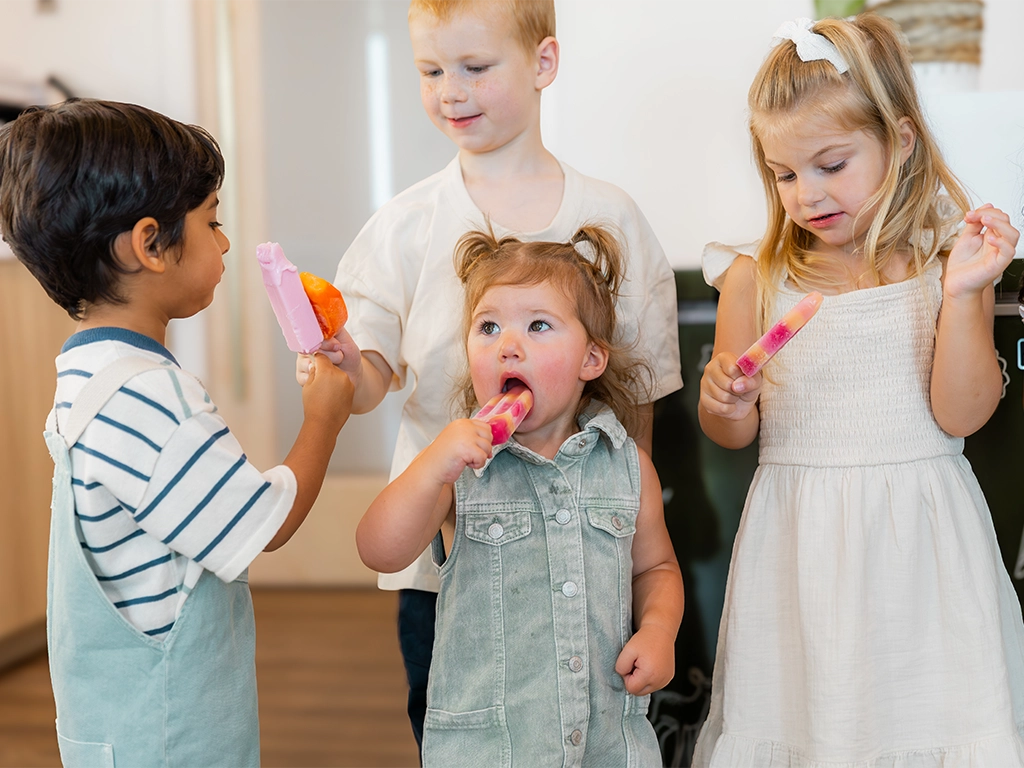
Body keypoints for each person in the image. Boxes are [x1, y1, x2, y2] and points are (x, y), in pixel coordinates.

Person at [298, 0, 683, 748]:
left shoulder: (615, 215)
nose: (451, 90)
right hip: (446, 565)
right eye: (431, 70)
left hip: (589, 567)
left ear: (543, 63)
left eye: (475, 67)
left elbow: (634, 401)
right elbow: (374, 376)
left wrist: (629, 523)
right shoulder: (405, 224)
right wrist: (350, 362)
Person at [692, 14, 1024, 765]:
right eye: (783, 174)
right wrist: (724, 402)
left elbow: (961, 414)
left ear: (900, 141)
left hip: (925, 550)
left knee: (926, 719)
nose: (805, 194)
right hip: (799, 552)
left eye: (830, 164)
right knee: (812, 723)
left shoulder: (940, 268)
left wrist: (969, 294)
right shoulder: (754, 279)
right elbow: (731, 432)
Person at [0, 99, 354, 768]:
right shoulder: (150, 395)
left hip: (117, 729)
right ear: (149, 245)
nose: (223, 243)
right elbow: (263, 523)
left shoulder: (87, 370)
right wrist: (323, 420)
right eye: (212, 222)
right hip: (170, 739)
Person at [356, 227, 685, 766]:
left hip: (604, 740)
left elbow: (657, 570)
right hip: (490, 746)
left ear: (591, 360)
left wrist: (659, 630)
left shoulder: (628, 466)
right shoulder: (460, 470)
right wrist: (433, 465)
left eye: (538, 325)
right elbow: (379, 549)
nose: (508, 344)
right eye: (488, 326)